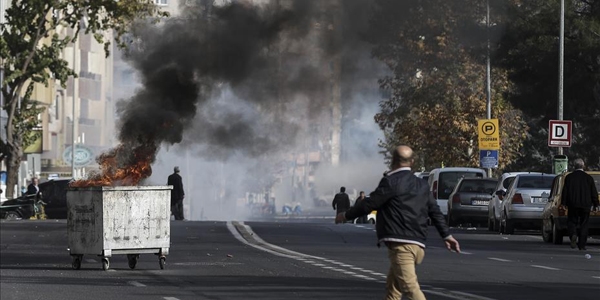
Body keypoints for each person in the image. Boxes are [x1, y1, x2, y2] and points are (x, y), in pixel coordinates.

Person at [336, 145, 460, 300]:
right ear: (412, 161)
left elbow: (370, 204)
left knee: (410, 288)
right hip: (418, 244)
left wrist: (345, 215)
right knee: (392, 291)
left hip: (402, 245)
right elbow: (435, 211)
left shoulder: (390, 182)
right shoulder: (421, 184)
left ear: (392, 161)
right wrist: (446, 235)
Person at [561, 158, 599, 251]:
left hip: (573, 204)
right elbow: (593, 192)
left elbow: (565, 191)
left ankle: (573, 234)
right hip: (585, 205)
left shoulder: (569, 177)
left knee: (571, 221)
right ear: (583, 166)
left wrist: (563, 203)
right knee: (584, 224)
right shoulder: (588, 178)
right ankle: (582, 245)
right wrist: (596, 204)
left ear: (574, 166)